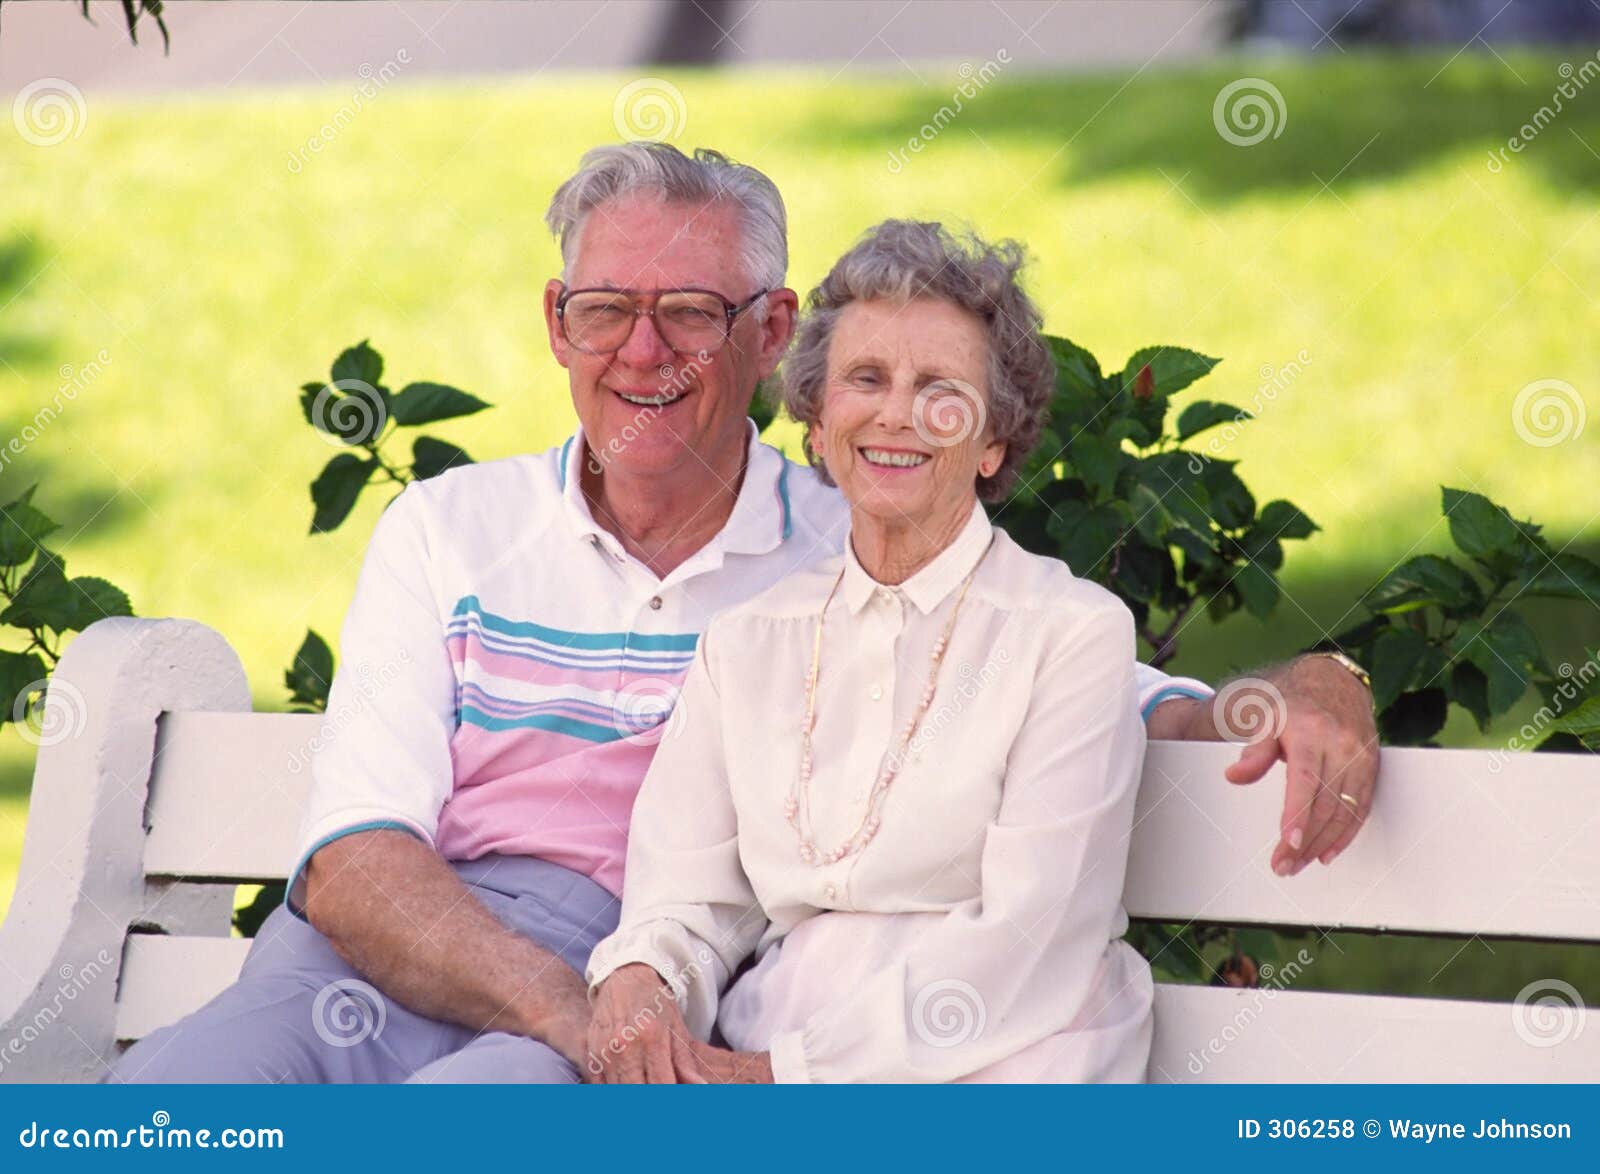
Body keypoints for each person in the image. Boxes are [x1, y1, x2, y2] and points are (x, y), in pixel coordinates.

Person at [111, 143, 1378, 1085]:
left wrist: (1309, 682)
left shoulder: (854, 541)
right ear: (560, 325)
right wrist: (591, 1007)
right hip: (416, 956)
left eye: (693, 313)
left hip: (654, 996)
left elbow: (1097, 697)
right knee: (165, 1113)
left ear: (770, 335)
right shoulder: (450, 531)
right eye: (606, 308)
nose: (643, 351)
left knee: (478, 1119)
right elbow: (353, 860)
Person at [587, 220, 1153, 1083]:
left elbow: (1032, 935)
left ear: (994, 438)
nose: (897, 413)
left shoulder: (1070, 633)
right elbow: (685, 901)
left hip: (1003, 1067)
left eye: (939, 387)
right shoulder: (747, 643)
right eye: (865, 379)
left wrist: (781, 1079)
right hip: (766, 1058)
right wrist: (643, 981)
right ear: (817, 424)